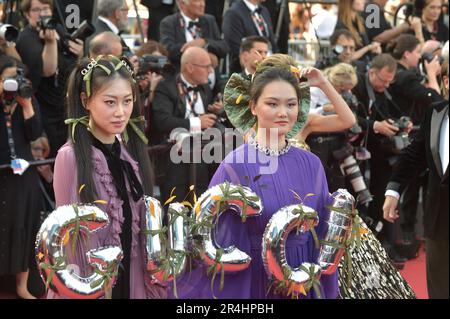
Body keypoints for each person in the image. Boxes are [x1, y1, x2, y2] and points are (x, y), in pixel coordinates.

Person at [171, 55, 340, 299]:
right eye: (272, 104)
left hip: (304, 280)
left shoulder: (311, 164)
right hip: (256, 283)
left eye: (291, 105)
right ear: (253, 106)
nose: (283, 113)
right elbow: (216, 243)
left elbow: (322, 237)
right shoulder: (234, 166)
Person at [50, 55, 165, 299]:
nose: (121, 112)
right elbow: (69, 243)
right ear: (86, 101)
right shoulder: (70, 157)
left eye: (127, 101)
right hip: (89, 283)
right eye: (110, 102)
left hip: (131, 280)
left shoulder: (129, 154)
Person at [383, 60, 448, 299]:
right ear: (447, 82)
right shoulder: (435, 112)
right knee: (440, 289)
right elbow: (414, 154)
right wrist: (394, 190)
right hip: (439, 219)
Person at [150, 47, 220, 205]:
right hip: (177, 156)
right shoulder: (166, 87)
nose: (210, 72)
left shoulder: (205, 88)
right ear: (190, 67)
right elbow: (162, 121)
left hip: (207, 154)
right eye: (206, 66)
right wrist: (197, 122)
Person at [16, 0, 84, 158]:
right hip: (45, 110)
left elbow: (74, 62)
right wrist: (50, 42)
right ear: (27, 14)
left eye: (45, 8)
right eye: (36, 10)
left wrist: (80, 53)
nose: (42, 13)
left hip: (66, 108)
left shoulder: (58, 29)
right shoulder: (26, 38)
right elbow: (47, 70)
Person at [0, 55, 43, 299]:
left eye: (18, 77)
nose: (14, 84)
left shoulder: (27, 100)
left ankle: (22, 286)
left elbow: (34, 133)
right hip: (1, 173)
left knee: (24, 226)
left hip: (23, 175)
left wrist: (26, 106)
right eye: (9, 78)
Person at [222, 0, 279, 74]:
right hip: (246, 74)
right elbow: (235, 47)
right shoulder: (233, 12)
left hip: (269, 71)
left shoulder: (264, 11)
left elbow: (272, 42)